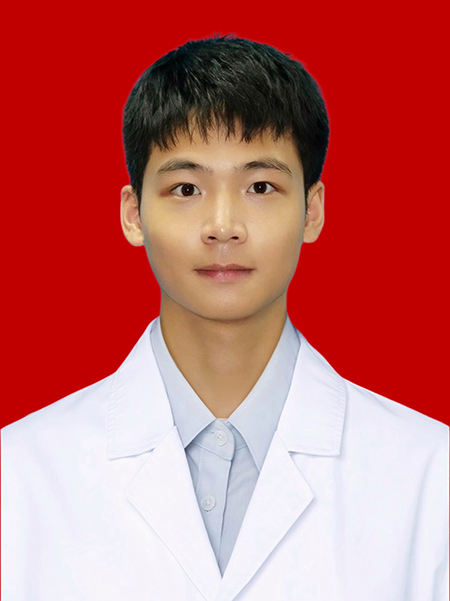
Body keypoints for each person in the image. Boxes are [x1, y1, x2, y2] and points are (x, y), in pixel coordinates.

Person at [1, 35, 448, 601]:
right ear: (133, 215)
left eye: (260, 187)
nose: (222, 226)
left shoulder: (430, 476)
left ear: (312, 210)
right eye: (185, 188)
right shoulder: (19, 477)